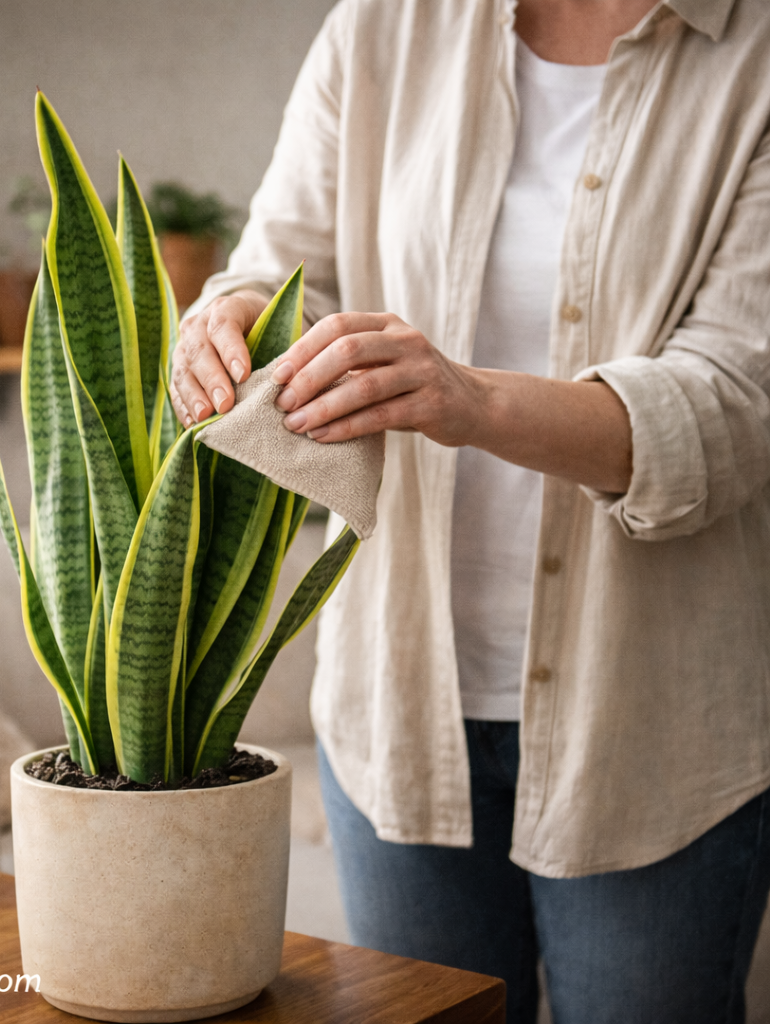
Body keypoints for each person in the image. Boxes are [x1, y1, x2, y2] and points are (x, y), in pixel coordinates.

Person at [170, 1, 770, 1020]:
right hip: (397, 707)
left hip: (653, 727)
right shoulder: (380, 29)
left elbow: (732, 403)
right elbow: (280, 270)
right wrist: (230, 320)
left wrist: (472, 401)